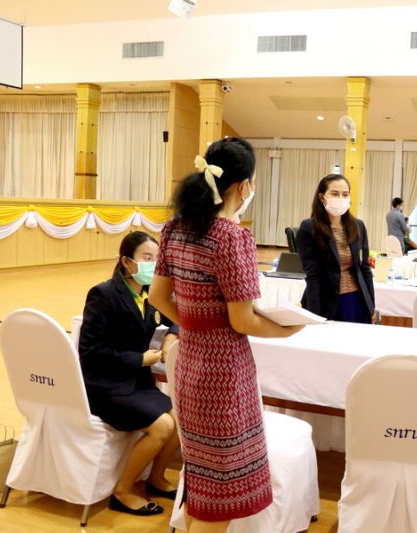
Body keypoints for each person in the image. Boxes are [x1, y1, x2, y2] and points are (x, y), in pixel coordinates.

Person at [148, 137, 304, 533]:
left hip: (189, 366)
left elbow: (157, 297)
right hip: (224, 374)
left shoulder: (175, 228)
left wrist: (196, 322)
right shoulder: (232, 237)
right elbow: (243, 321)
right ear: (243, 186)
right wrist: (288, 329)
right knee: (221, 493)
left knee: (202, 480)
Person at [78, 230, 180, 516]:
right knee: (163, 426)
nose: (153, 265)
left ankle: (156, 479)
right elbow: (90, 351)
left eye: (157, 259)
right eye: (147, 258)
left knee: (181, 418)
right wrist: (138, 359)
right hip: (105, 386)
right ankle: (122, 492)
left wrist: (171, 336)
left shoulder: (150, 293)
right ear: (126, 261)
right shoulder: (104, 294)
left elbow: (178, 316)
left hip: (136, 384)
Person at [296, 173, 375, 323]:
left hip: (357, 300)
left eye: (345, 194)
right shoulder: (309, 228)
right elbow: (313, 276)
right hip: (327, 302)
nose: (340, 198)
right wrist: (314, 316)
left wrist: (371, 307)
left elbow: (365, 268)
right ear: (321, 197)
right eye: (334, 194)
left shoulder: (358, 226)